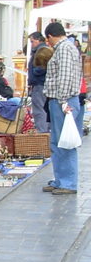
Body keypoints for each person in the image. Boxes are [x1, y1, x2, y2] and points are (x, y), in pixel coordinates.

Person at [43, 22, 83, 195]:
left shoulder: (64, 48)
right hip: (61, 100)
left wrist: (63, 101)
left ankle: (67, 182)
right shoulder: (67, 47)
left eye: (48, 39)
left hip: (62, 101)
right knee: (57, 141)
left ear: (50, 36)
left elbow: (65, 76)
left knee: (64, 142)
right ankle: (61, 179)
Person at [27, 31, 52, 133]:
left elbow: (42, 67)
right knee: (44, 109)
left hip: (40, 84)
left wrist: (34, 72)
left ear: (38, 40)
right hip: (43, 83)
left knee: (39, 110)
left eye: (32, 41)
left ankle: (42, 133)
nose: (31, 44)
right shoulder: (43, 49)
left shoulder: (41, 50)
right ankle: (46, 132)